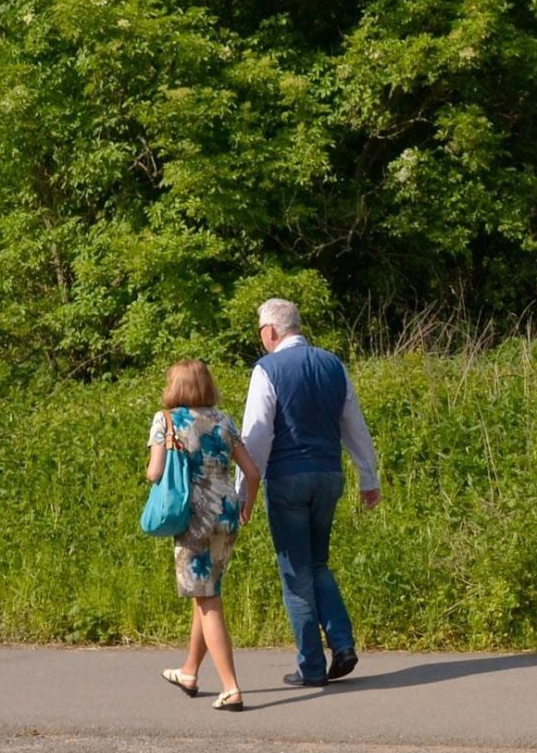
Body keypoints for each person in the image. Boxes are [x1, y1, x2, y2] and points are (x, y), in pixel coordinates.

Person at [240, 298, 380, 688]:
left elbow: (256, 435)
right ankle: (342, 643)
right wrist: (368, 478)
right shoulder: (334, 365)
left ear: (270, 331)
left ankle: (312, 666)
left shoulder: (267, 369)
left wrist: (244, 491)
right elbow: (354, 426)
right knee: (317, 564)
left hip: (288, 478)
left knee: (296, 573)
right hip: (328, 474)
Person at [147, 359, 259, 711]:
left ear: (175, 386)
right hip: (226, 512)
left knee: (208, 601)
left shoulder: (166, 420)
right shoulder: (224, 420)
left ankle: (231, 688)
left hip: (193, 517)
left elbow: (154, 473)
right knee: (207, 590)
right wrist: (248, 505)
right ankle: (189, 672)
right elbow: (252, 473)